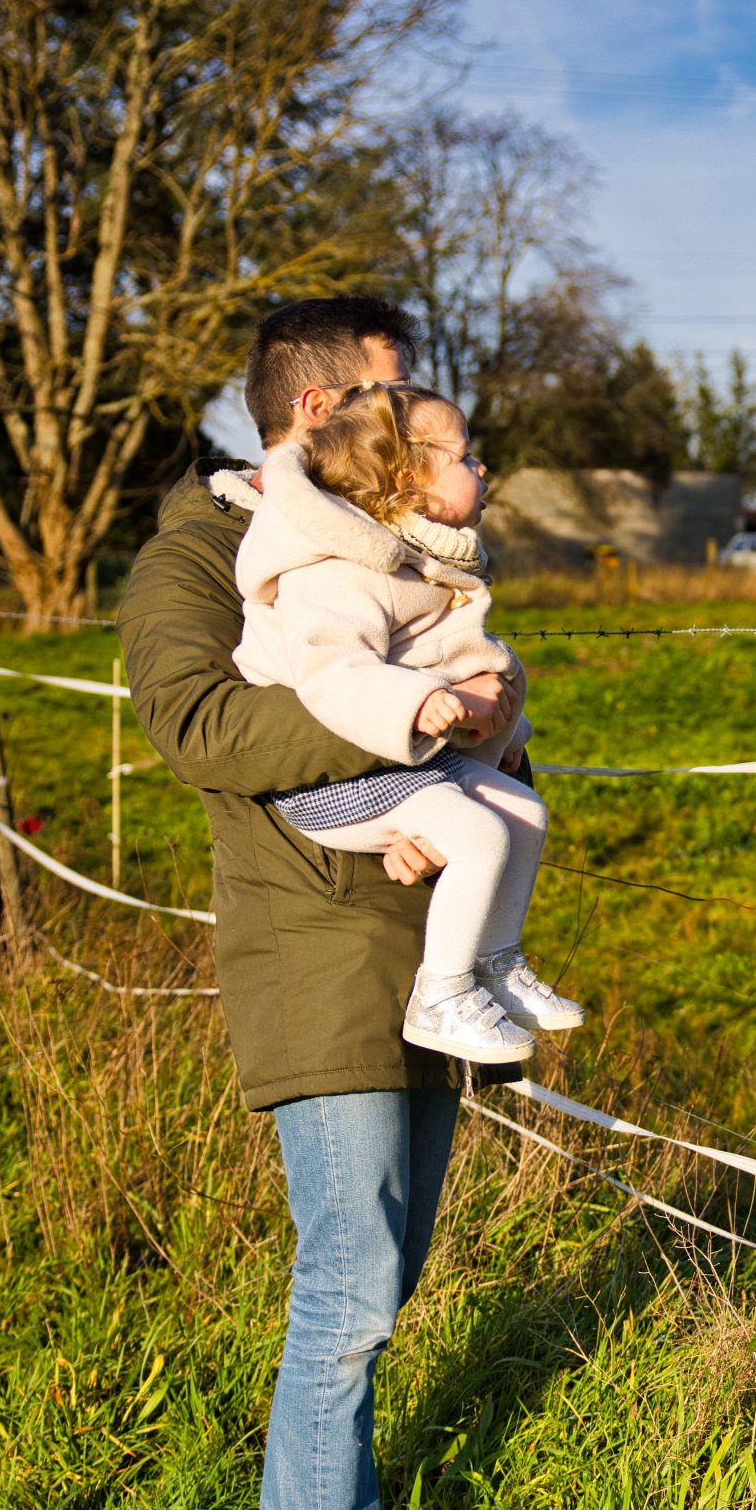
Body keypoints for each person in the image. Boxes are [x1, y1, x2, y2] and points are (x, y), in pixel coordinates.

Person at [119, 295, 519, 1510]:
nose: (413, 422)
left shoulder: (386, 537)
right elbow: (201, 726)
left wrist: (460, 745)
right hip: (311, 941)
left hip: (416, 939)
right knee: (349, 1287)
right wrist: (396, 729)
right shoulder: (201, 551)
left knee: (384, 1277)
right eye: (393, 398)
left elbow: (455, 680)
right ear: (317, 412)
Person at [230, 381, 583, 1063]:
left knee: (524, 812)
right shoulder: (335, 565)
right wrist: (416, 704)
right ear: (406, 478)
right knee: (479, 834)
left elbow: (451, 654)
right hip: (334, 776)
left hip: (397, 759)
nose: (482, 467)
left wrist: (503, 729)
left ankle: (494, 963)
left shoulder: (415, 555)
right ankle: (442, 997)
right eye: (465, 456)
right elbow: (333, 673)